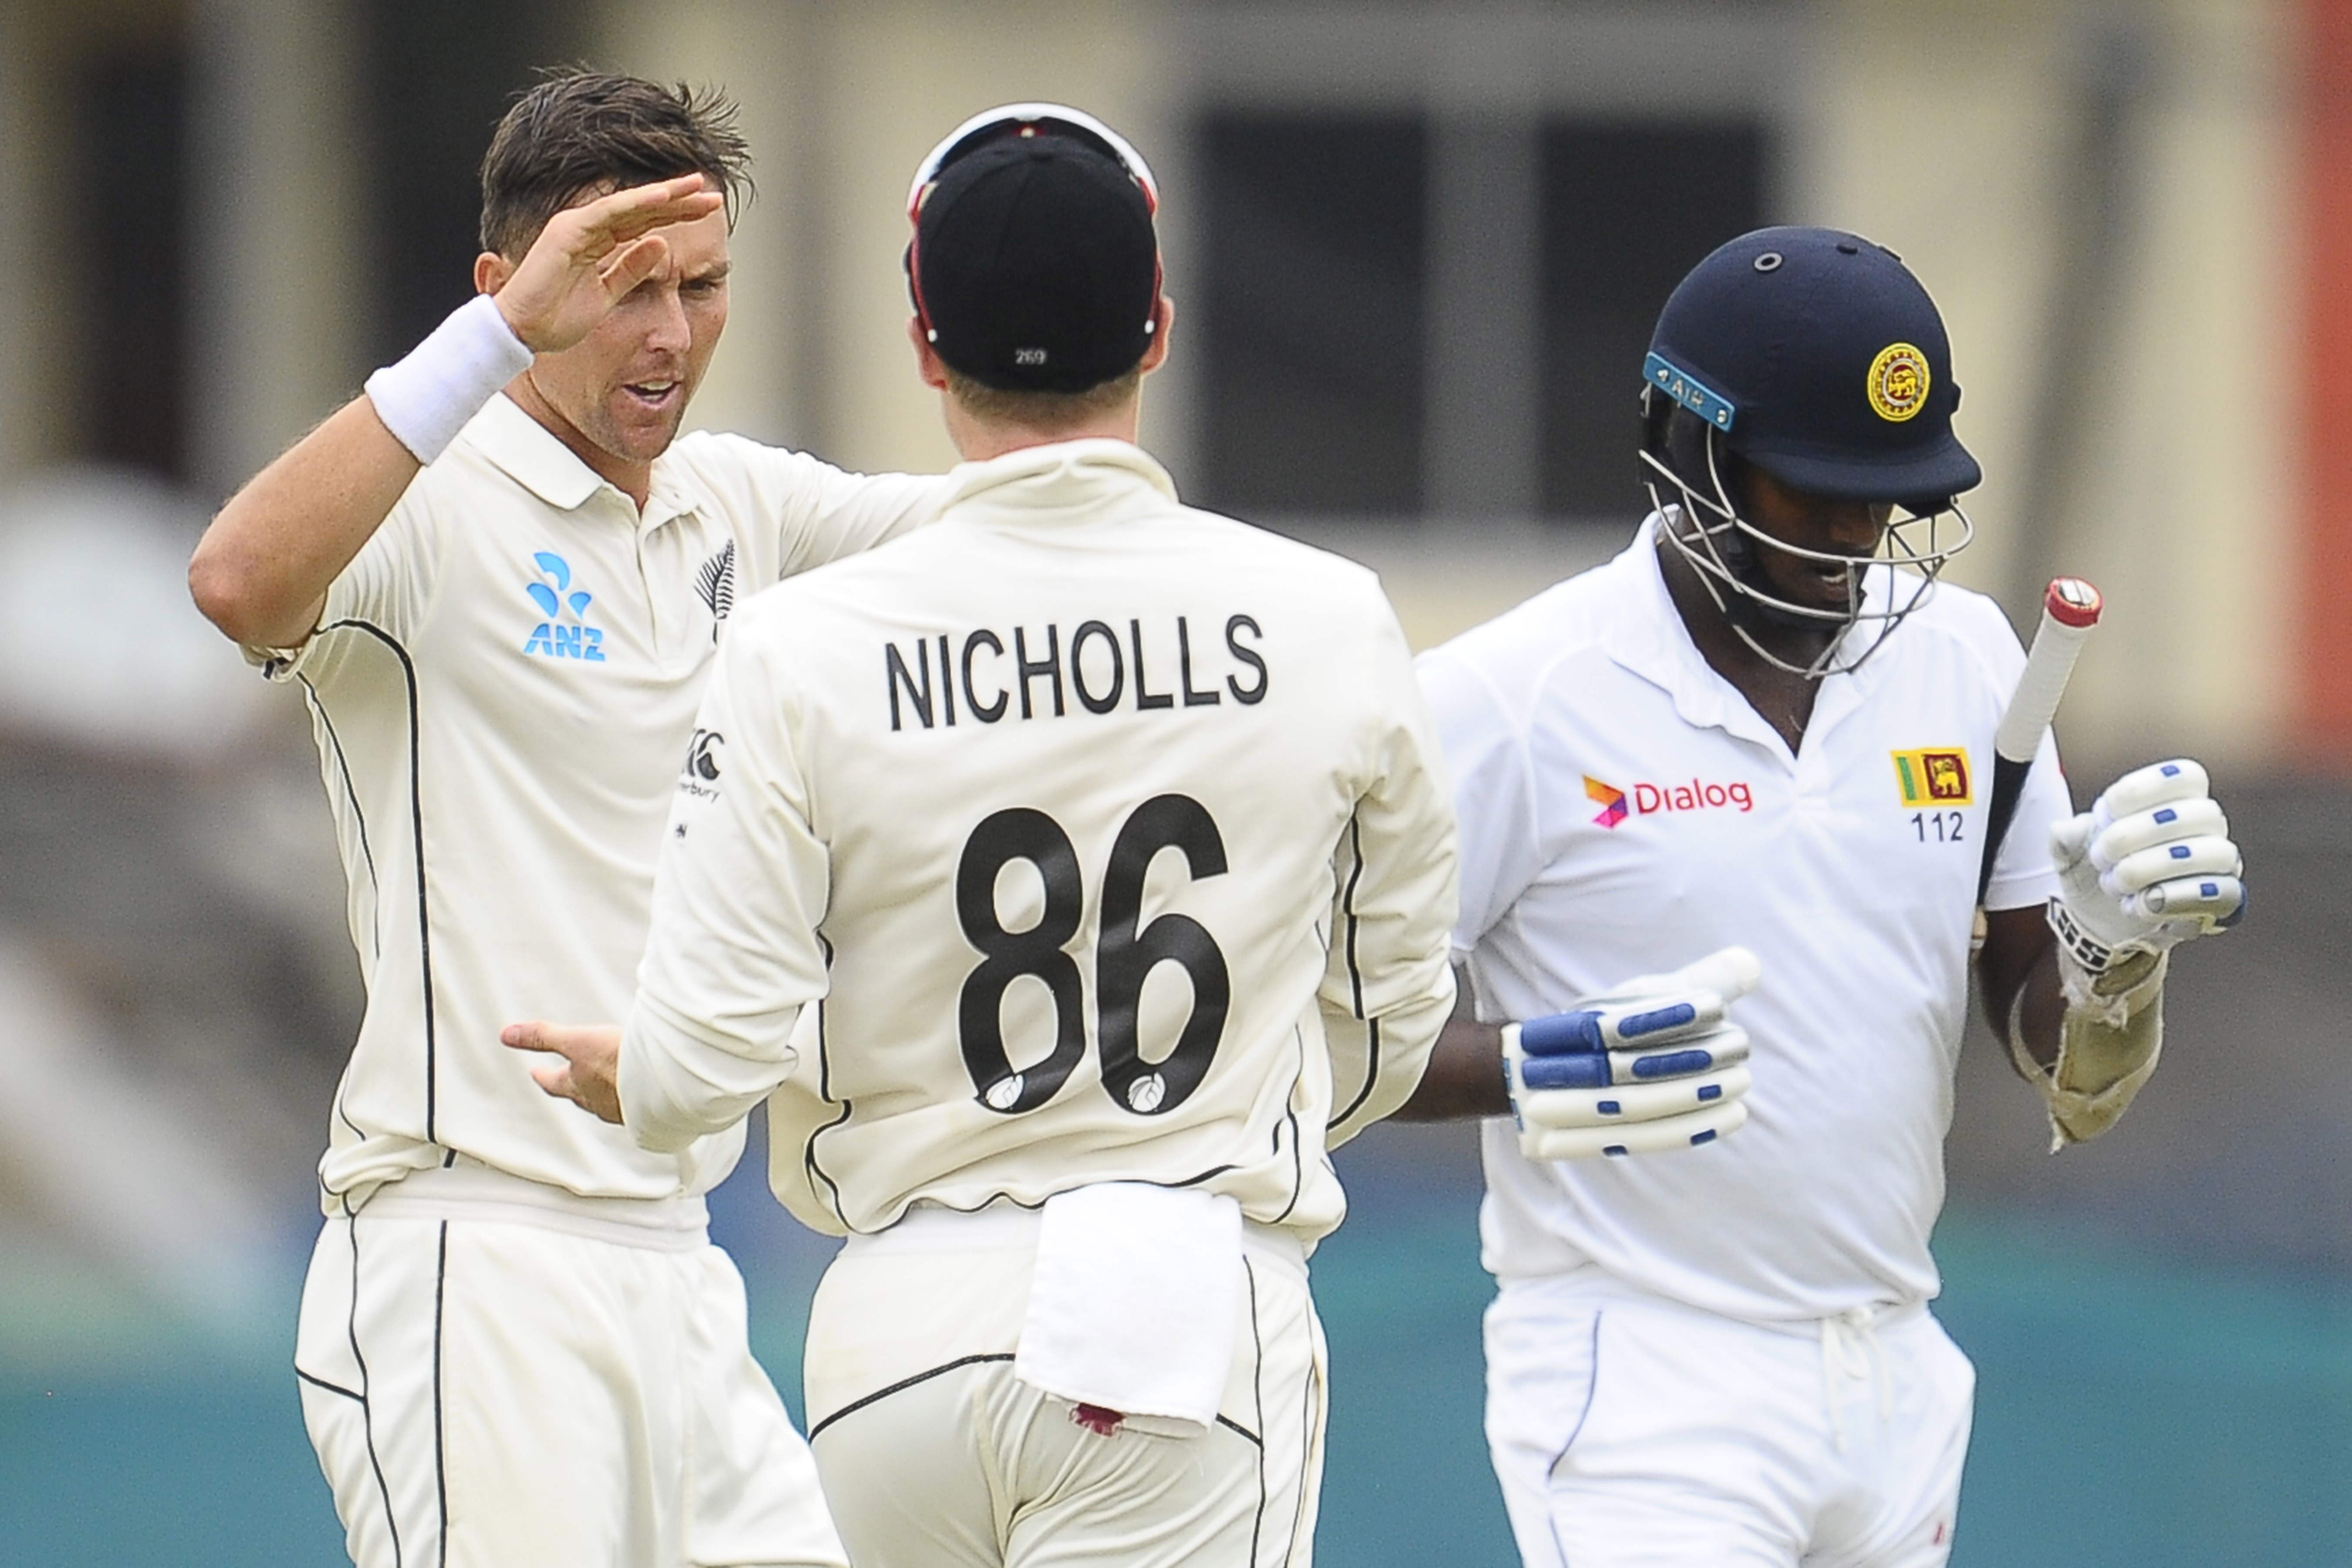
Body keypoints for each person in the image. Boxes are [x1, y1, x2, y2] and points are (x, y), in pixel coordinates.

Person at [509, 103, 1460, 1568]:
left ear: (925, 345)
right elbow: (1391, 1026)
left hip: (892, 1331)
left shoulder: (796, 646)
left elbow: (701, 1067)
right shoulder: (1328, 616)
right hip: (1177, 1309)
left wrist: (634, 1075)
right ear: (1158, 329)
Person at [188, 72, 950, 1568]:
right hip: (475, 1258)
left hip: (684, 1270)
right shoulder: (426, 503)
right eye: (622, 289)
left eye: (701, 286)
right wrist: (488, 345)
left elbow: (1015, 540)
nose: (670, 334)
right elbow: (236, 582)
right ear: (513, 290)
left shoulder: (736, 505)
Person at [1397, 226, 2246, 1568]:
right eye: (1819, 490)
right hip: (1645, 1374)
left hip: (1895, 1371)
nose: (1858, 538)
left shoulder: (1967, 660)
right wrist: (1532, 1066)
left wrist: (2116, 951)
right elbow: (1318, 1039)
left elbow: (2066, 1072)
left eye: (1889, 499)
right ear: (1688, 450)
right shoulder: (1511, 699)